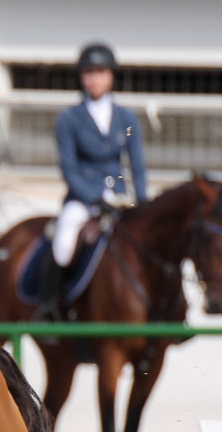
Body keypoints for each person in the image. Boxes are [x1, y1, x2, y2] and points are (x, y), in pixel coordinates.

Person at [41, 42, 148, 317]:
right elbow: (69, 169)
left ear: (111, 75)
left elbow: (137, 165)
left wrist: (143, 202)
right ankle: (52, 308)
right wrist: (94, 199)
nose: (95, 78)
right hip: (83, 199)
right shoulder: (69, 118)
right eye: (89, 72)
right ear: (81, 76)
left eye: (100, 71)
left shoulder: (126, 118)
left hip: (120, 196)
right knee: (64, 245)